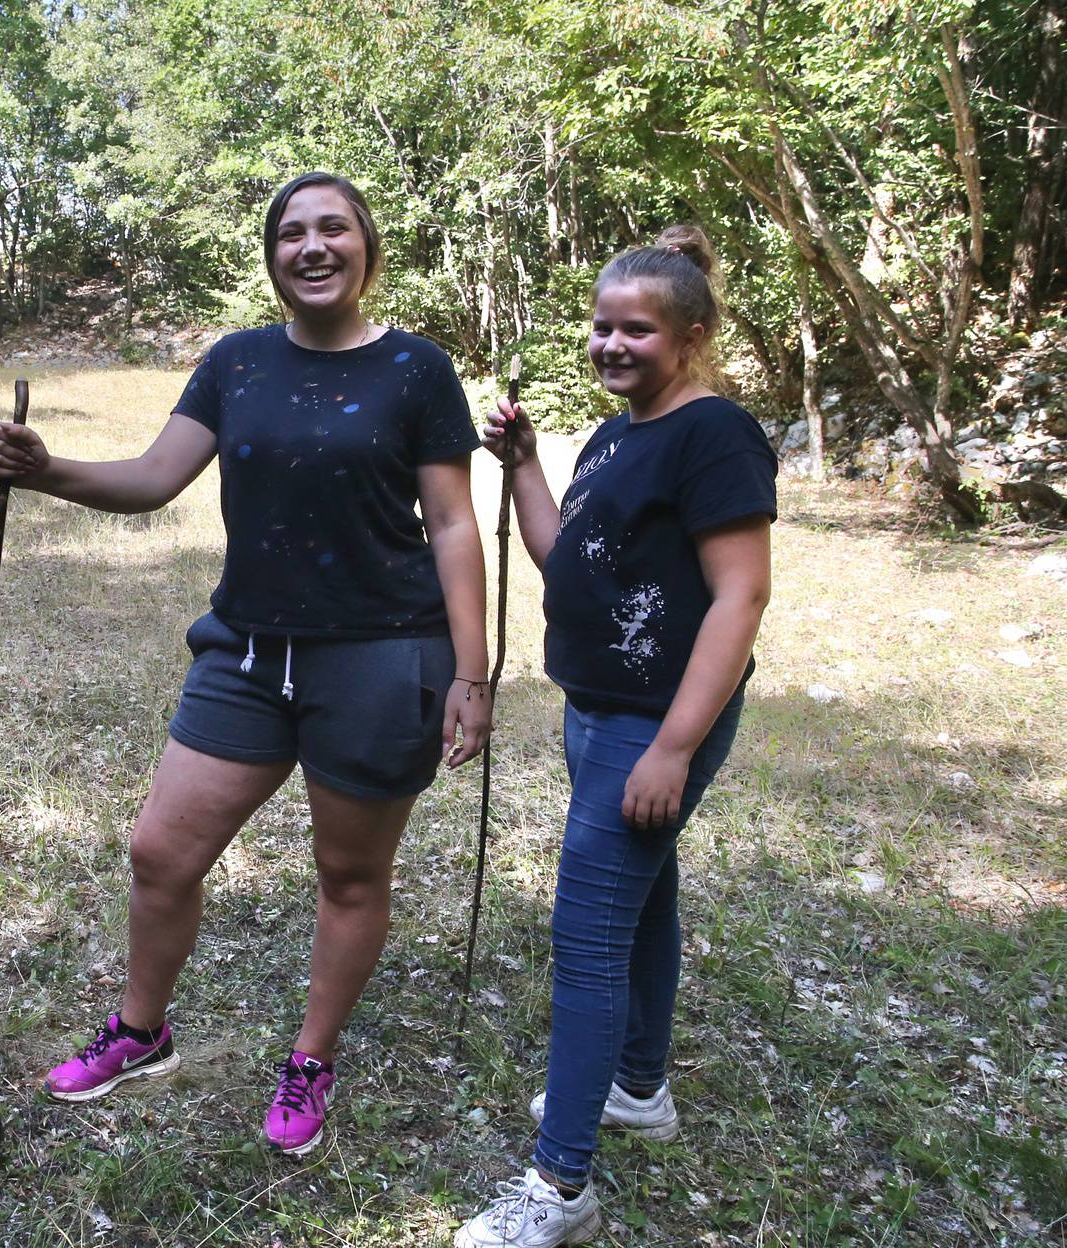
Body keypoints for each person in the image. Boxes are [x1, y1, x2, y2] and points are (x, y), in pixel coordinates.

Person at [0, 172, 491, 1157]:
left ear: (365, 247)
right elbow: (151, 476)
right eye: (291, 233)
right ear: (271, 258)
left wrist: (474, 674)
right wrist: (48, 470)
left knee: (349, 874)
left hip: (385, 657)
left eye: (333, 229)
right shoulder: (236, 364)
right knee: (160, 852)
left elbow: (455, 523)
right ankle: (142, 1030)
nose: (312, 246)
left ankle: (311, 1058)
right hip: (248, 654)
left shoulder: (418, 369)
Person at [453, 227, 775, 1247]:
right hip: (599, 713)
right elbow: (571, 565)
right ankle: (638, 1085)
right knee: (641, 902)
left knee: (587, 933)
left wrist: (675, 746)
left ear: (690, 335)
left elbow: (740, 595)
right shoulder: (613, 437)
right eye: (601, 326)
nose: (612, 344)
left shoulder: (714, 433)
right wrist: (525, 467)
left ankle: (561, 1190)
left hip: (655, 723)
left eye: (635, 329)